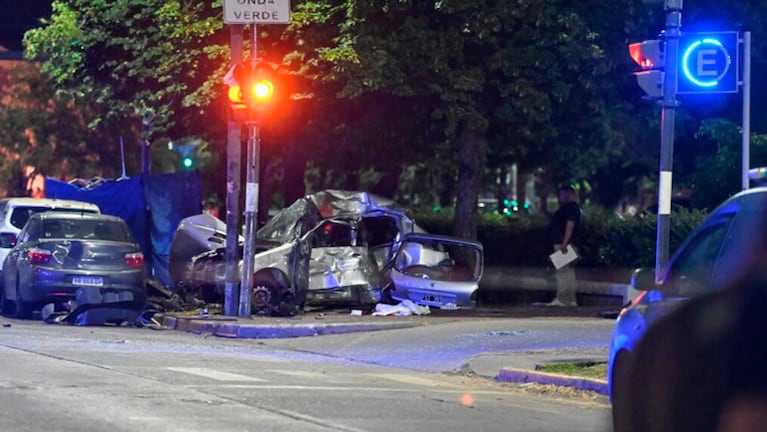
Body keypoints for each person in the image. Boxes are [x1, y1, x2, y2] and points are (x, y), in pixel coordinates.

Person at [546, 185, 582, 306]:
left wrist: (564, 243)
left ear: (569, 194)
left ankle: (563, 299)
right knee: (568, 272)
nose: (561, 197)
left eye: (563, 194)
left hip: (563, 244)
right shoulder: (574, 207)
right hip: (569, 243)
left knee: (562, 272)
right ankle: (570, 299)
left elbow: (570, 225)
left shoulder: (569, 208)